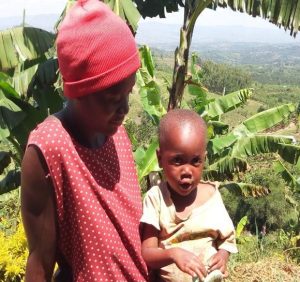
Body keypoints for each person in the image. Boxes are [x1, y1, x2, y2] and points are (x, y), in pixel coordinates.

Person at [21, 0, 148, 281]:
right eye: (114, 99)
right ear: (80, 91)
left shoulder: (118, 137)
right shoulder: (50, 148)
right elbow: (40, 261)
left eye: (128, 94)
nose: (125, 109)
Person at [140, 109, 238, 282]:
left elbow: (226, 240)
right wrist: (173, 254)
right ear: (160, 158)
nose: (187, 171)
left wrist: (222, 256)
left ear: (204, 159)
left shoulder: (212, 197)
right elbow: (147, 253)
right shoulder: (156, 199)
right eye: (177, 160)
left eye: (195, 161)